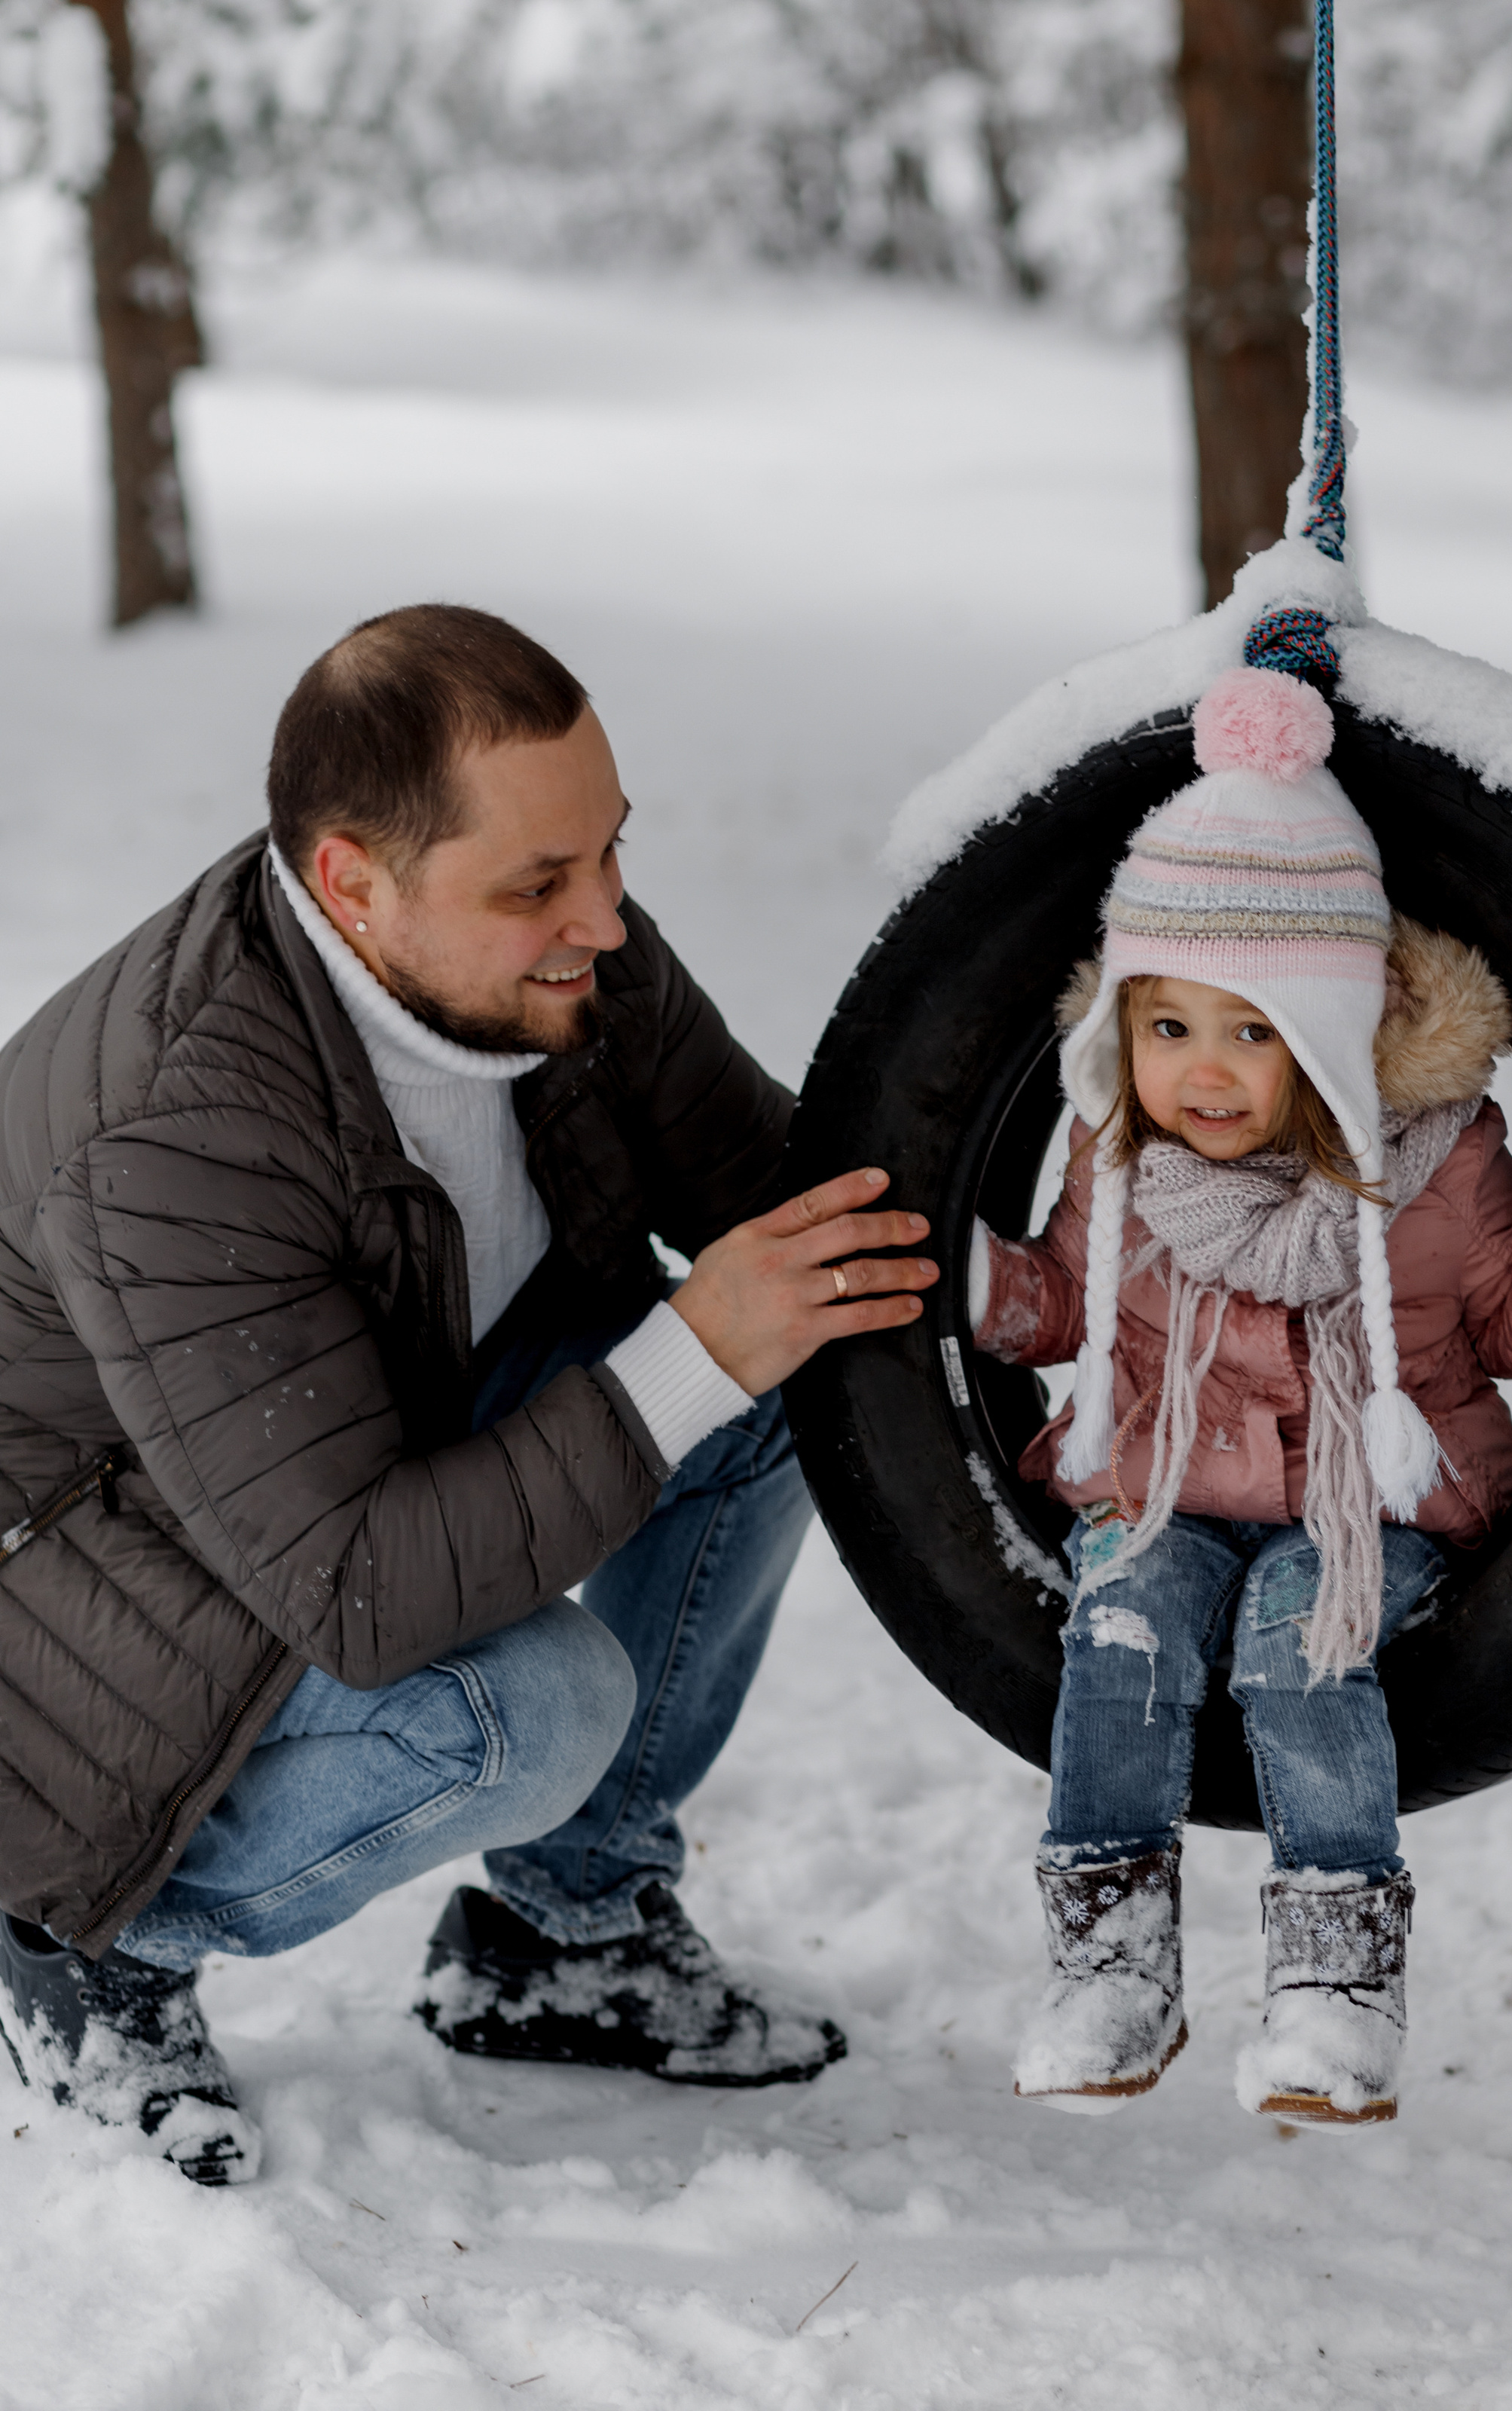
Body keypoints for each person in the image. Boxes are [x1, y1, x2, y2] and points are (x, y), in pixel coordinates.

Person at [0, 604, 938, 2184]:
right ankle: (86, 1931)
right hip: (93, 1593)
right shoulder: (175, 1133)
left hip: (360, 1426)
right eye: (538, 885)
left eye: (609, 854)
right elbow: (359, 1592)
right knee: (531, 1706)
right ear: (355, 881)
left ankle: (563, 1933)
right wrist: (690, 1349)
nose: (606, 916)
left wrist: (1118, 1280)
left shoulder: (557, 958)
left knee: (795, 1354)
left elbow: (785, 1203)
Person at [965, 664, 1512, 2125]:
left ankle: (1332, 1983)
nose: (1202, 1072)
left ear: (1326, 1032)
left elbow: (1502, 1320)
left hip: (1366, 1506)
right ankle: (1112, 1963)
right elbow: (1060, 1295)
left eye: (1252, 1032)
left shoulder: (1429, 1165)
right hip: (1164, 1493)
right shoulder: (1118, 1163)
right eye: (1168, 1028)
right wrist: (979, 1287)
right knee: (1118, 1623)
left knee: (1295, 1641)